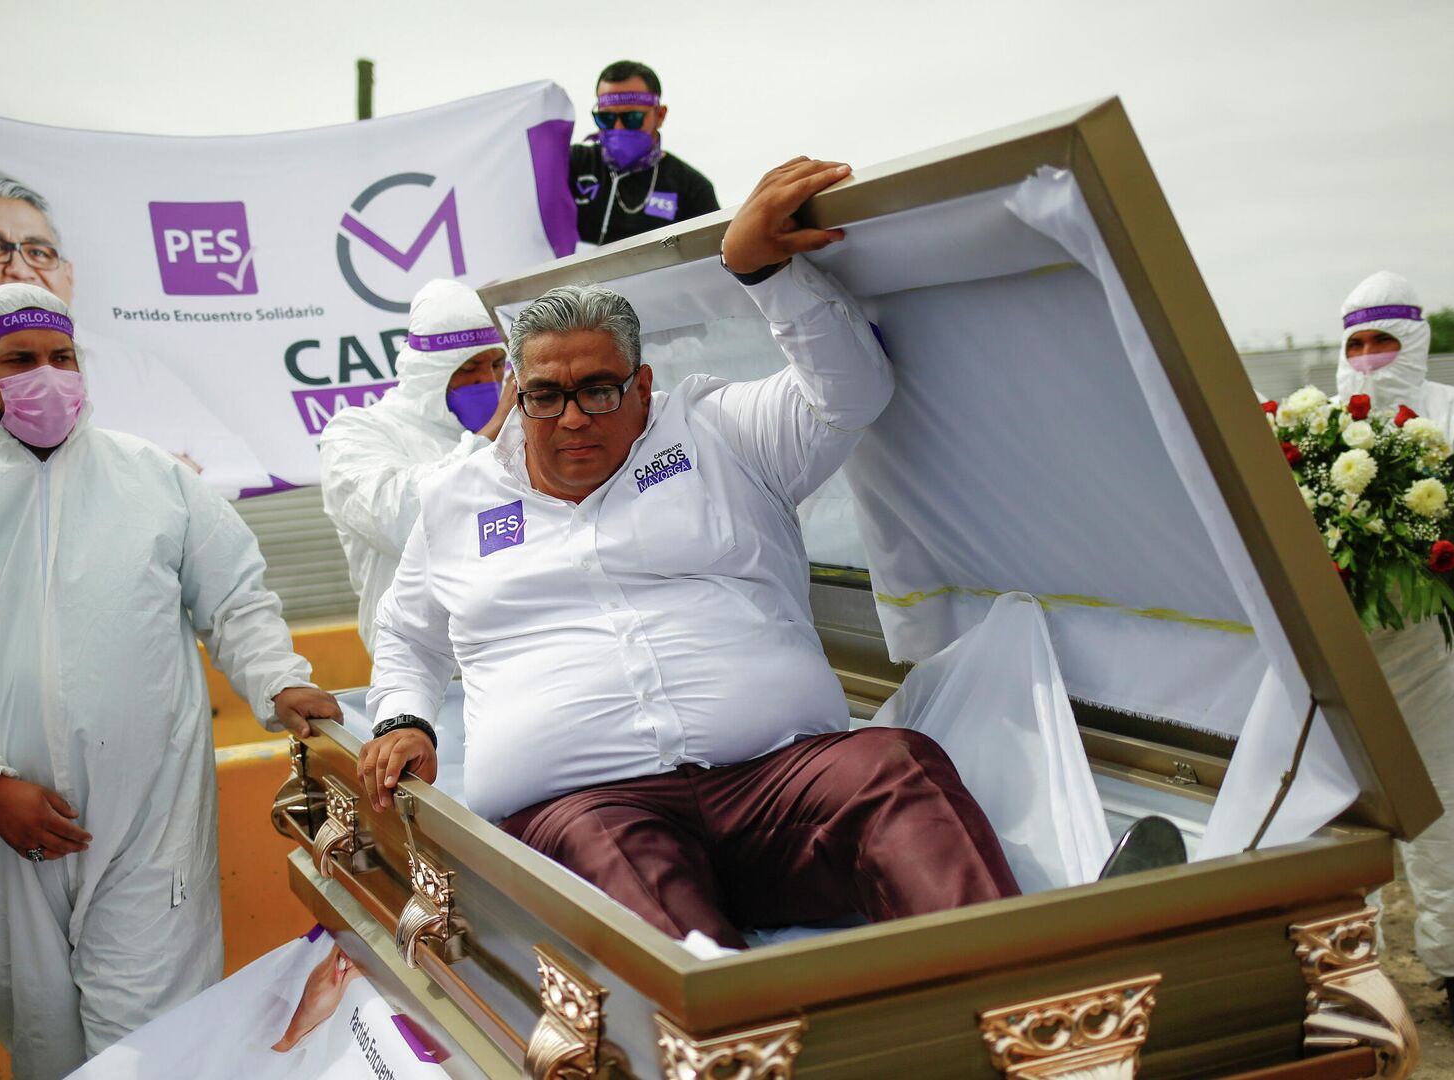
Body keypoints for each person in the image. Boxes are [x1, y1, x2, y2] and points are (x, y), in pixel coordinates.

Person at [363, 159, 1019, 951]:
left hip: (778, 785)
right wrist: (405, 719)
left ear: (642, 387)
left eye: (597, 390)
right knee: (623, 873)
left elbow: (850, 392)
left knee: (892, 766)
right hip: (589, 808)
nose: (571, 418)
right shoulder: (455, 499)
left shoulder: (717, 431)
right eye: (545, 396)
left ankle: (1019, 992)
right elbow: (409, 633)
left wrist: (765, 273)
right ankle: (734, 1024)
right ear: (521, 395)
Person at [0, 283, 342, 1078]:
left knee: (156, 1043)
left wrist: (280, 682)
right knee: (45, 1045)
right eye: (20, 360)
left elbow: (235, 599)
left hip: (147, 822)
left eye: (61, 356)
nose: (47, 376)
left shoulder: (156, 481)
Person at [1335, 270, 1454, 1045]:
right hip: (1341, 671)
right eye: (1358, 343)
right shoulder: (1313, 428)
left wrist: (1400, 554)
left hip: (1443, 666)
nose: (1370, 358)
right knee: (1338, 832)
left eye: (1386, 341)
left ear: (1415, 341)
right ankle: (1350, 976)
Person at [0, 167, 268, 496]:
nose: (19, 268)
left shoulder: (133, 366)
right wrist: (149, 476)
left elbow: (238, 464)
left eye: (38, 252)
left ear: (68, 275)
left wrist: (84, 484)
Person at [318, 279, 515, 653]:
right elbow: (400, 520)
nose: (487, 380)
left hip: (510, 653)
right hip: (418, 666)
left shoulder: (517, 428)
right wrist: (490, 437)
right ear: (430, 371)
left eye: (496, 364)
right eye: (469, 367)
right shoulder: (357, 432)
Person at [569, 60, 719, 246]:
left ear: (660, 115)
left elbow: (714, 255)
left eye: (632, 118)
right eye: (606, 118)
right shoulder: (572, 164)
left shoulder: (691, 188)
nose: (618, 127)